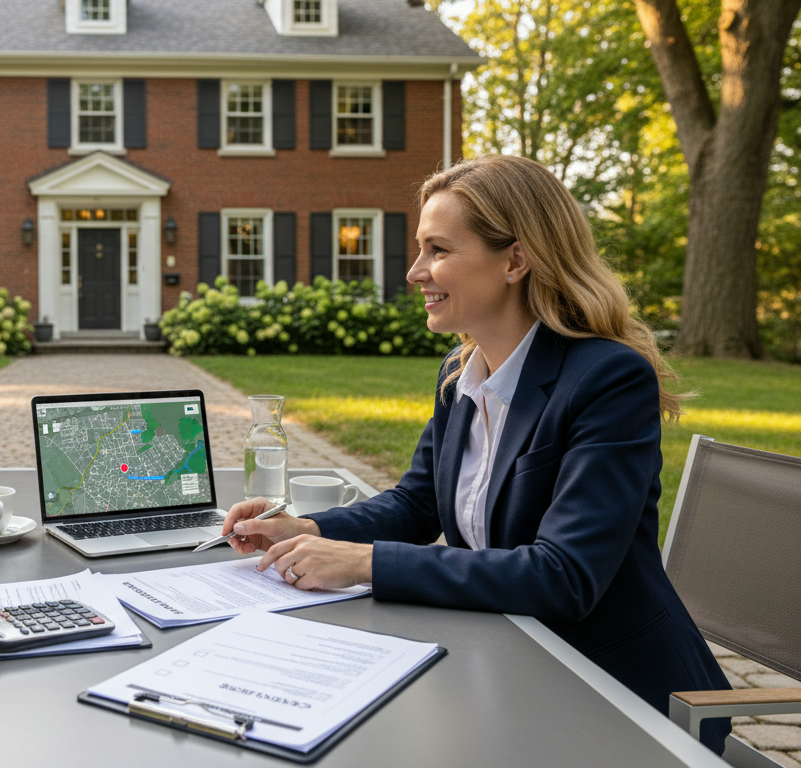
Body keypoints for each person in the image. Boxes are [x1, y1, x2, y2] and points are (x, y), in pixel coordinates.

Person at [222, 154, 732, 753]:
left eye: (438, 250)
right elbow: (417, 503)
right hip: (507, 655)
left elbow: (563, 577)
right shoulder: (460, 370)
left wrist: (364, 562)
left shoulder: (607, 380)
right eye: (420, 249)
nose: (415, 272)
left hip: (612, 690)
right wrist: (303, 528)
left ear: (516, 259)